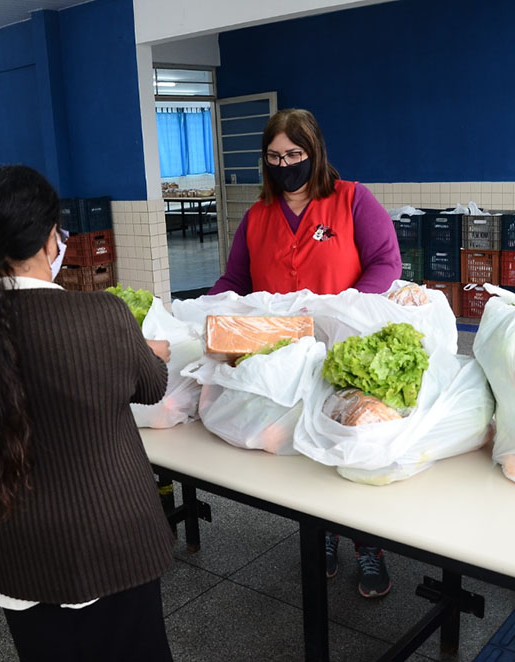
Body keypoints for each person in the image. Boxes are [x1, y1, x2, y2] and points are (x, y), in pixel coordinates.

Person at [0, 165, 175, 660]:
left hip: (13, 543)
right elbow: (151, 387)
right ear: (48, 240)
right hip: (109, 539)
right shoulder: (102, 314)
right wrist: (152, 352)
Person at [209, 108, 401, 598]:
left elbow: (385, 261)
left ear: (314, 154)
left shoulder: (352, 200)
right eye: (274, 157)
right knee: (304, 452)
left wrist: (349, 309)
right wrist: (209, 308)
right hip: (285, 360)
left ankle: (369, 547)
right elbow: (236, 280)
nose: (285, 164)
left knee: (352, 446)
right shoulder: (257, 217)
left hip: (344, 350)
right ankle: (324, 538)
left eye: (294, 154)